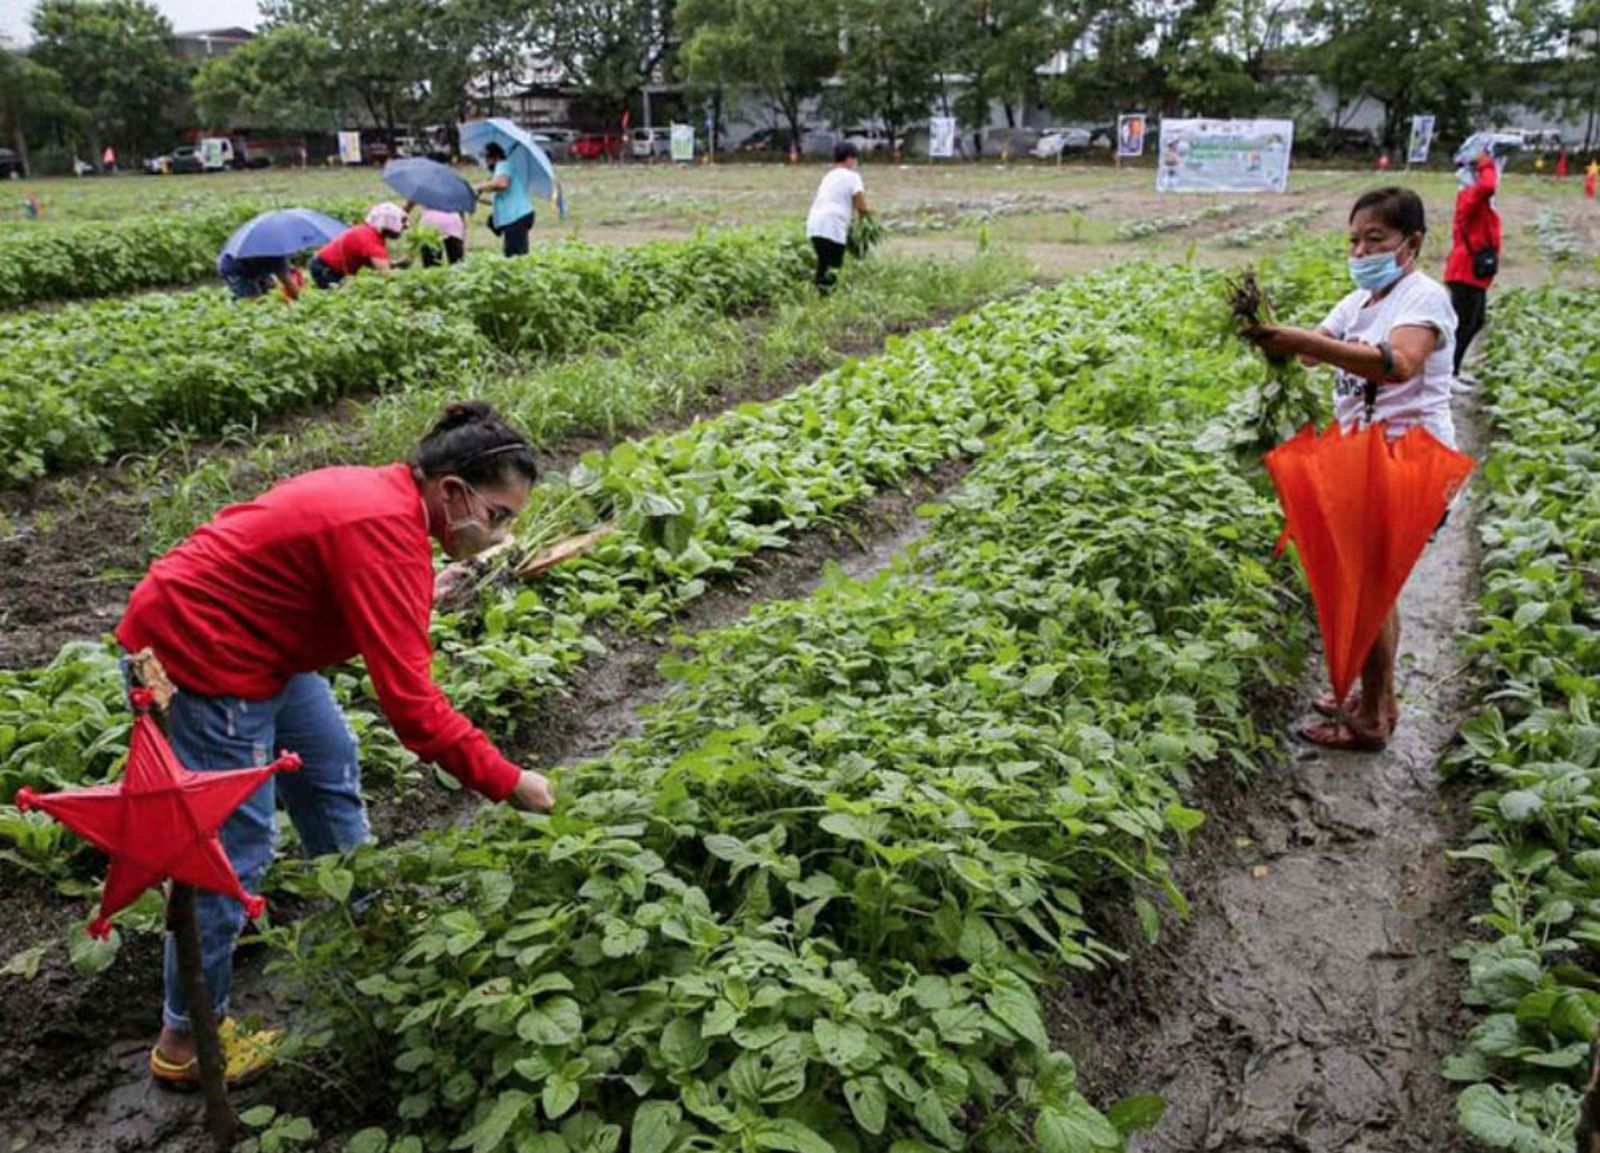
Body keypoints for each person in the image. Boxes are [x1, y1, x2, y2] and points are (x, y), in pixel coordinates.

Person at [122, 401, 555, 1087]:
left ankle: (369, 917)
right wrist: (513, 781)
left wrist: (422, 590)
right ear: (452, 491)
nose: (499, 533)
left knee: (327, 763)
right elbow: (415, 711)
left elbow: (351, 583)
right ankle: (184, 1039)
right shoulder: (380, 524)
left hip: (266, 646)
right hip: (202, 653)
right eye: (498, 515)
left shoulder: (396, 507)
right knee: (232, 849)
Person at [1243, 187, 1457, 753]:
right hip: (1366, 463)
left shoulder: (1422, 299)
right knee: (1377, 591)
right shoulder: (1358, 301)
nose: (1361, 250)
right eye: (1355, 239)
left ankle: (1367, 722)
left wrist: (1303, 343)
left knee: (1370, 593)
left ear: (1410, 244)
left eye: (1376, 239)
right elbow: (1314, 352)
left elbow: (1400, 364)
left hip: (1410, 463)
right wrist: (1274, 336)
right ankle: (1376, 699)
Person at [1443, 148, 1501, 383]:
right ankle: (1447, 374)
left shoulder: (1475, 200)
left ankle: (1453, 369)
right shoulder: (1469, 197)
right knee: (1463, 324)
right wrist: (1485, 163)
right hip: (1464, 272)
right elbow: (1488, 186)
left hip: (1471, 272)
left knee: (1475, 322)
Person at [805, 141, 871, 294]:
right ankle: (827, 299)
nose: (855, 163)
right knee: (834, 266)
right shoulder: (852, 177)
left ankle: (819, 299)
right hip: (832, 226)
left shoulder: (829, 176)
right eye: (854, 159)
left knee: (823, 263)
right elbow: (860, 205)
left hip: (815, 225)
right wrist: (868, 217)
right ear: (849, 158)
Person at [309, 202, 405, 288]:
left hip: (326, 265)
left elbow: (374, 263)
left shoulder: (370, 232)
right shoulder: (372, 240)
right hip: (326, 268)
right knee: (337, 298)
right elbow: (386, 274)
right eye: (400, 223)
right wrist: (403, 279)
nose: (402, 228)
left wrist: (394, 264)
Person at [475, 142, 534, 258]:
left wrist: (479, 187)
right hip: (517, 217)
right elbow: (499, 201)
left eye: (487, 159)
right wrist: (478, 199)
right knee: (512, 253)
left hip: (516, 218)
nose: (486, 163)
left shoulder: (503, 165)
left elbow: (502, 184)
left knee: (515, 257)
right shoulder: (503, 169)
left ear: (495, 157)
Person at [217, 252, 301, 301]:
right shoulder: (278, 258)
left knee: (270, 290)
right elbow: (288, 284)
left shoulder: (277, 255)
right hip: (233, 268)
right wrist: (299, 301)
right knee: (252, 301)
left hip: (255, 265)